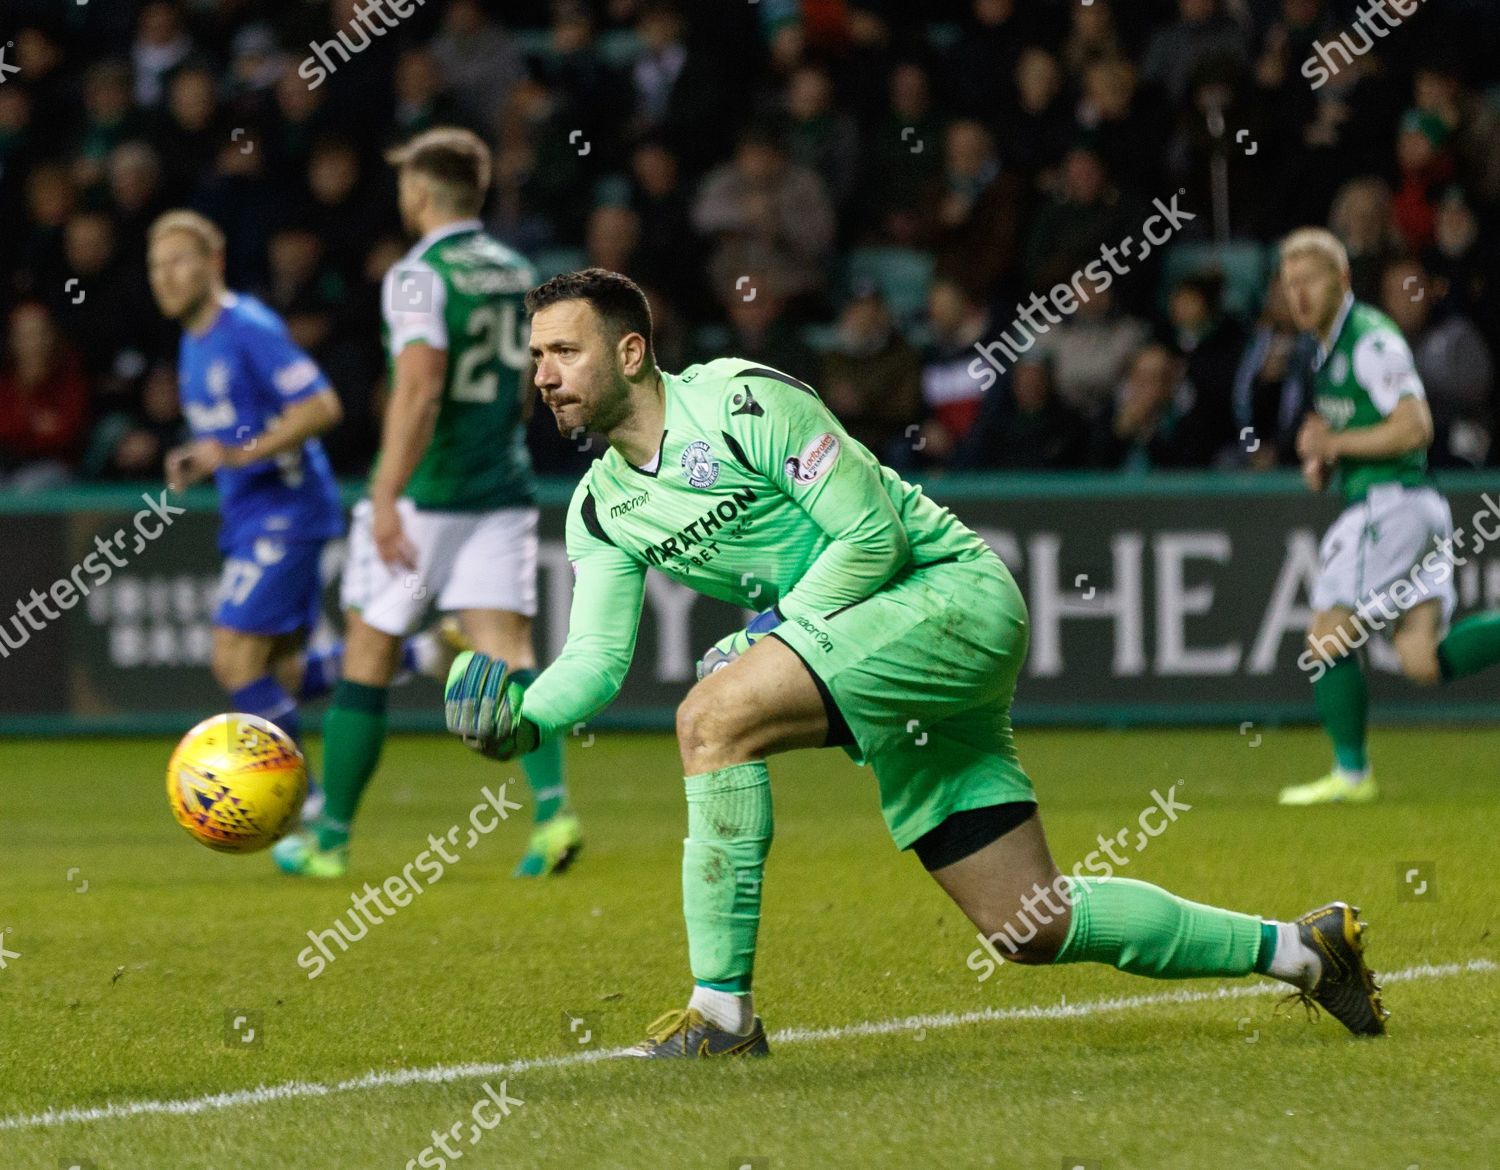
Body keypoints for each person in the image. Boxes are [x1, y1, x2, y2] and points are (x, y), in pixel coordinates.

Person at [445, 267, 1388, 1057]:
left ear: (630, 352)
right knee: (1030, 922)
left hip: (947, 598)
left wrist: (764, 634)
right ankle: (1304, 949)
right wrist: (527, 715)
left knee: (711, 717)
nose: (545, 375)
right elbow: (598, 661)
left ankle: (722, 1015)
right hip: (877, 656)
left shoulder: (740, 401)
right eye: (535, 357)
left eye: (563, 351)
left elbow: (871, 537)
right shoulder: (602, 505)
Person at [274, 128, 577, 879]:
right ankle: (552, 817)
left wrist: (384, 496)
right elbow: (527, 382)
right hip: (500, 488)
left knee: (370, 652)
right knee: (506, 653)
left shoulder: (417, 275)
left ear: (420, 191)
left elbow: (419, 386)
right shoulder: (514, 269)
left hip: (427, 496)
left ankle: (332, 841)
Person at [1277, 228, 1500, 805]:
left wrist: (1337, 445)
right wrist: (1327, 458)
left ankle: (1351, 775)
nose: (1298, 295)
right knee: (1422, 657)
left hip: (1392, 505)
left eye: (1312, 281)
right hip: (1413, 504)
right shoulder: (1322, 350)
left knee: (1328, 636)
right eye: (1290, 283)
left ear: (1343, 280)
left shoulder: (1371, 342)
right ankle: (1352, 774)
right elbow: (1352, 435)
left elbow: (1414, 428)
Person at [147, 209, 344, 801]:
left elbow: (320, 408)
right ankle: (422, 651)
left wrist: (236, 454)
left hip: (286, 511)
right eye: (157, 266)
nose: (166, 276)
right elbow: (226, 434)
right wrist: (200, 458)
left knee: (233, 661)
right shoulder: (192, 342)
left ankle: (301, 804)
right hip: (252, 516)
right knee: (281, 673)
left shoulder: (247, 326)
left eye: (180, 261)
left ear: (215, 264)